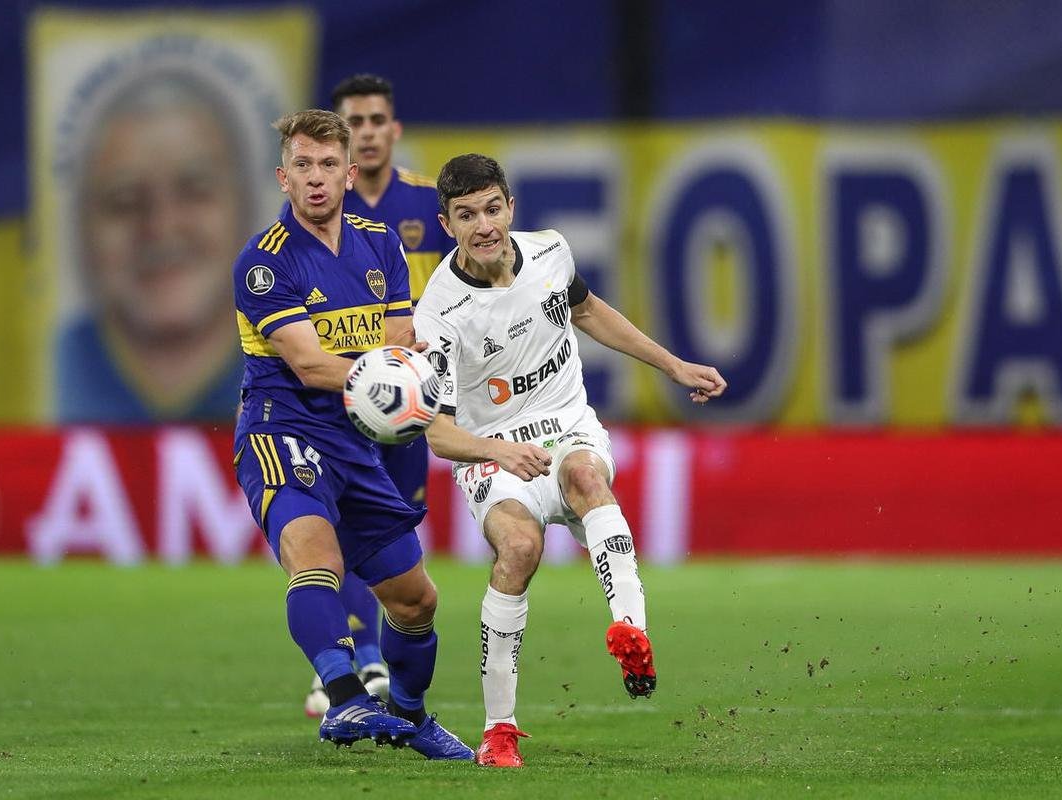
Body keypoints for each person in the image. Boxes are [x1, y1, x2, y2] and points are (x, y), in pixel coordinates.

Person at [415, 154, 727, 767]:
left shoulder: (552, 253)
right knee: (520, 551)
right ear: (446, 223)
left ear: (511, 205)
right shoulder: (439, 315)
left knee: (587, 476)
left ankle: (631, 630)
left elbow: (586, 311)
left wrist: (674, 366)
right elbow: (439, 434)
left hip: (567, 427)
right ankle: (499, 731)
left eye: (492, 208)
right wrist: (501, 450)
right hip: (492, 453)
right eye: (466, 215)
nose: (484, 226)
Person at [231, 109, 470, 759]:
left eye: (328, 165)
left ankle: (411, 716)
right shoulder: (263, 263)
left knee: (416, 600)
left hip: (356, 441)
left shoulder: (381, 242)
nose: (315, 179)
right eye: (302, 166)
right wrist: (394, 376)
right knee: (319, 560)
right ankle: (343, 701)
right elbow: (309, 365)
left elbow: (396, 339)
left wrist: (412, 374)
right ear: (283, 177)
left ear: (351, 171)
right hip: (283, 431)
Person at [301, 73, 454, 717]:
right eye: (352, 123)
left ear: (393, 130)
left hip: (414, 404)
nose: (365, 132)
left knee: (395, 531)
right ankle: (356, 659)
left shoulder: (432, 206)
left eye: (374, 121)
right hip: (342, 405)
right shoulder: (319, 215)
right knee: (335, 531)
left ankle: (384, 665)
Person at [58, 69, 251, 423]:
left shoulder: (306, 365)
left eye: (196, 190)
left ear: (244, 209)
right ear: (84, 230)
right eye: (124, 200)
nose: (161, 228)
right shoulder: (52, 370)